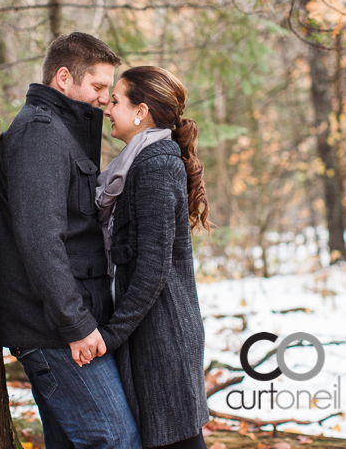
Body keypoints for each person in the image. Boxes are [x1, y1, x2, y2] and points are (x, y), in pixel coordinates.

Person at [0, 32, 142, 449]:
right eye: (97, 86)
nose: (103, 99)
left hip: (67, 324)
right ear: (63, 78)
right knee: (115, 441)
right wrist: (76, 325)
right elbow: (41, 242)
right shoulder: (39, 134)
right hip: (55, 331)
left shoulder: (62, 131)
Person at [96, 66, 211, 449]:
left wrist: (112, 335)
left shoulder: (156, 165)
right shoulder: (139, 163)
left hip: (164, 337)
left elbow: (152, 268)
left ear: (141, 111)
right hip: (151, 332)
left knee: (178, 441)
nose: (108, 109)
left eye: (115, 100)